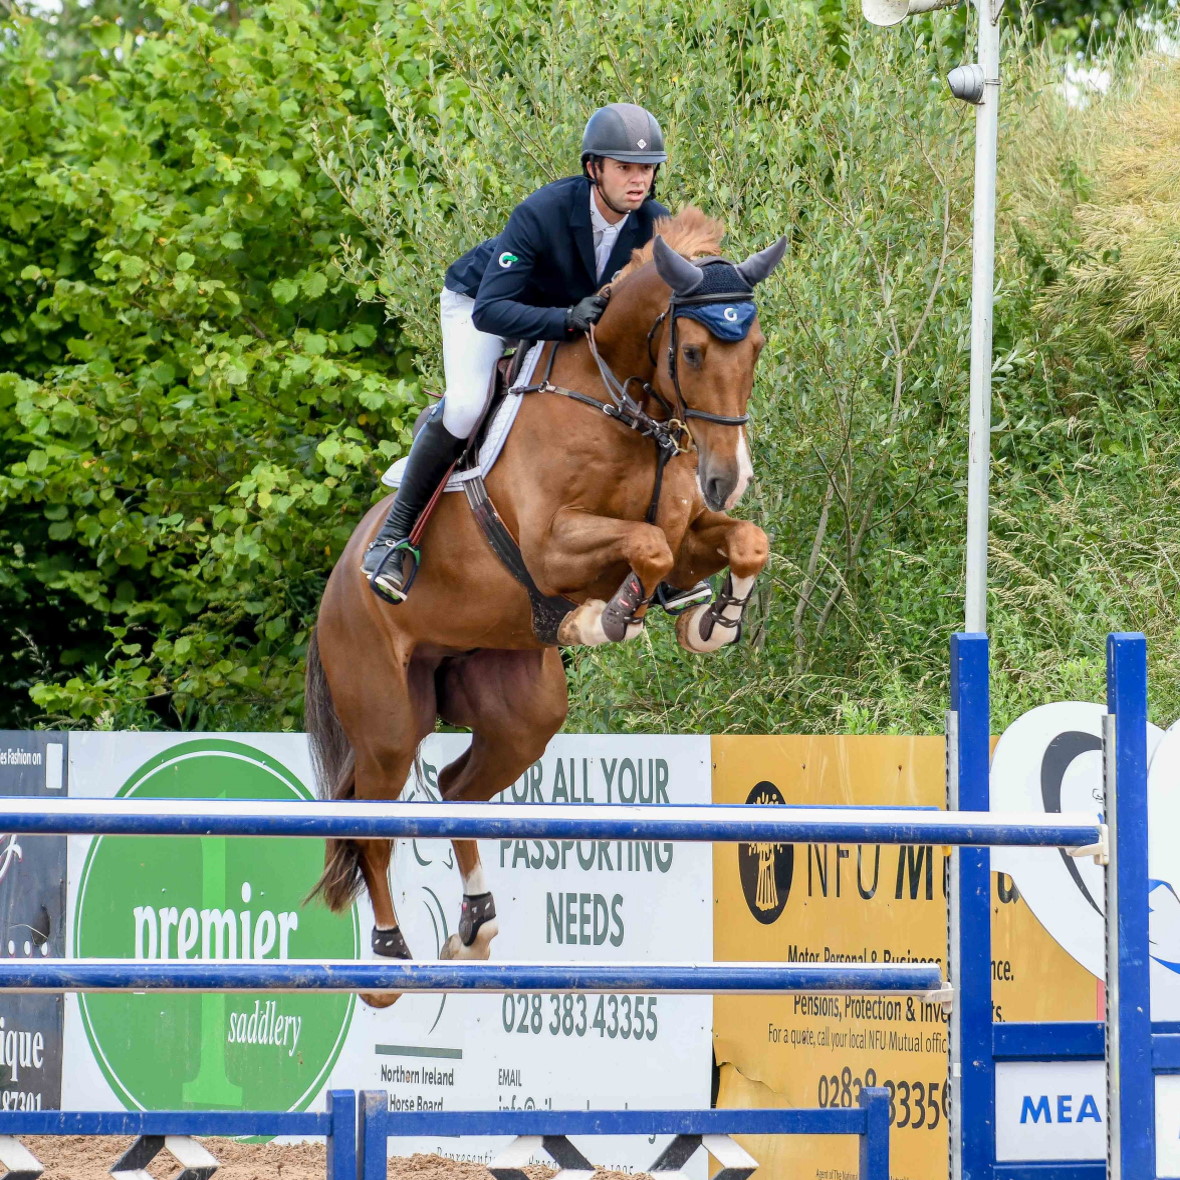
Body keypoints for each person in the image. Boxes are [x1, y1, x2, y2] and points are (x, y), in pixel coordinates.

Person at [361, 103, 671, 604]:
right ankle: (393, 539)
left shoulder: (655, 224)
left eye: (646, 168)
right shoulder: (542, 211)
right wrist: (564, 320)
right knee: (467, 403)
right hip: (483, 304)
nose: (638, 180)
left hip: (565, 315)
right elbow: (492, 310)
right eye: (624, 168)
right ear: (594, 168)